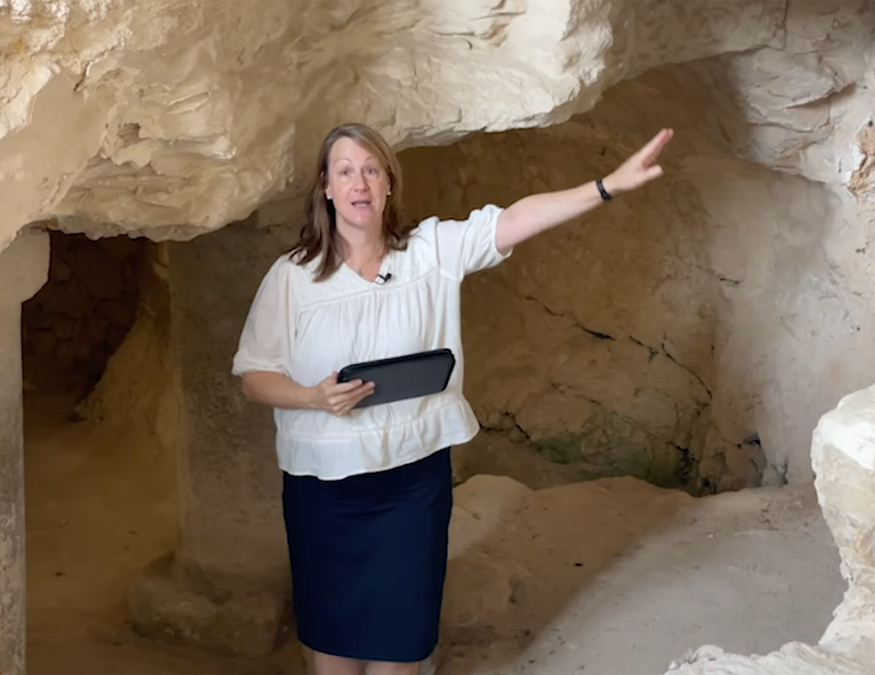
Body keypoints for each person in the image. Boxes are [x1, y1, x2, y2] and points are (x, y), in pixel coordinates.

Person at [230, 122, 673, 675]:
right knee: (332, 640)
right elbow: (254, 375)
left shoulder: (429, 252)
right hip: (324, 486)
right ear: (326, 186)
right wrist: (311, 397)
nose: (359, 183)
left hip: (412, 483)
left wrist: (605, 185)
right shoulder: (292, 277)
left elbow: (512, 221)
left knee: (403, 642)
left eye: (371, 169)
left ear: (389, 184)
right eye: (345, 171)